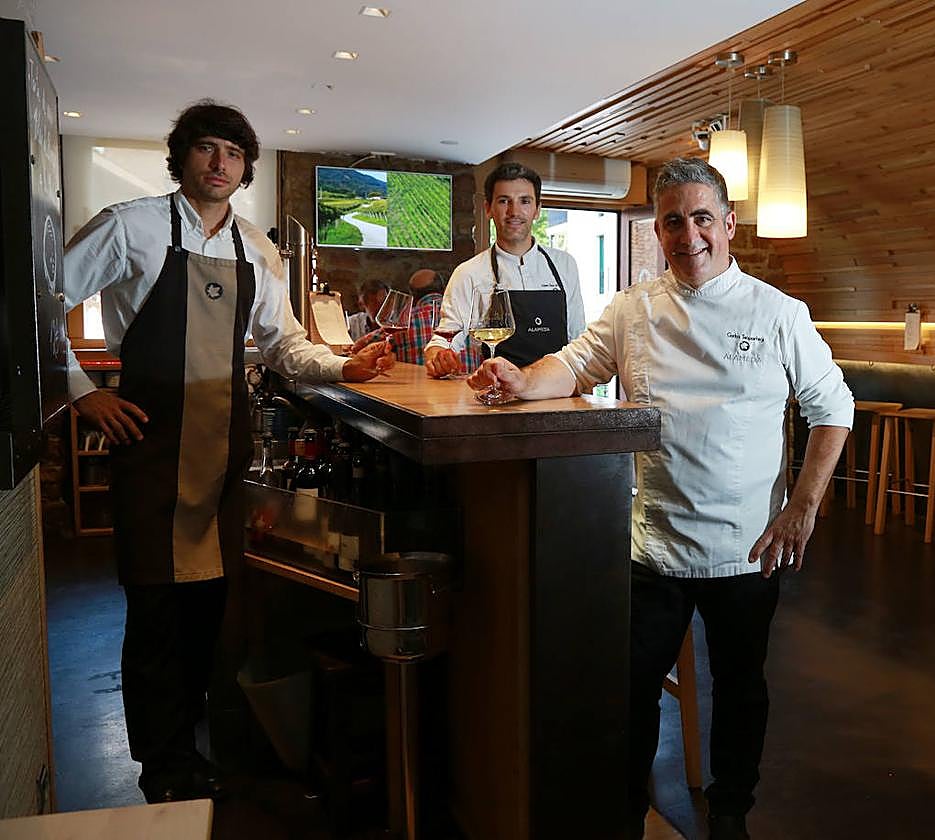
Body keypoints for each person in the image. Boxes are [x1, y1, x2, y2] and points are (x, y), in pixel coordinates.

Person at [467, 158, 854, 840]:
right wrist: (522, 380)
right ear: (658, 232)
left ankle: (730, 811)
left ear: (728, 224)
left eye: (702, 218)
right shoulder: (632, 308)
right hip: (654, 544)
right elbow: (574, 365)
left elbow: (834, 408)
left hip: (748, 545)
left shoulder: (778, 312)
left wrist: (801, 507)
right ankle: (624, 816)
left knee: (741, 687)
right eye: (673, 221)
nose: (689, 235)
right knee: (630, 690)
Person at [63, 99, 392, 805]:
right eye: (207, 148)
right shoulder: (130, 225)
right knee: (155, 614)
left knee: (208, 612)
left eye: (234, 153)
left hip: (224, 450)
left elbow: (284, 345)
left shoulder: (256, 247)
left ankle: (195, 752)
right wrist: (79, 391)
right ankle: (163, 768)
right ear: (181, 157)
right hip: (150, 445)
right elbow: (36, 300)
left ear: (246, 169)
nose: (220, 163)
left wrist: (345, 366)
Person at [423, 161, 585, 377]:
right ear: (488, 208)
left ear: (537, 209)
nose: (514, 211)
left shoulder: (565, 264)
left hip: (558, 389)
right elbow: (445, 339)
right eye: (503, 201)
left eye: (525, 201)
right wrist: (439, 357)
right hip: (497, 391)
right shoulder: (468, 273)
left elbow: (577, 338)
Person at [353, 268, 483, 368]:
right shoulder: (467, 315)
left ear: (413, 297)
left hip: (421, 388)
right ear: (444, 290)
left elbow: (359, 348)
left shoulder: (404, 320)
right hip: (468, 388)